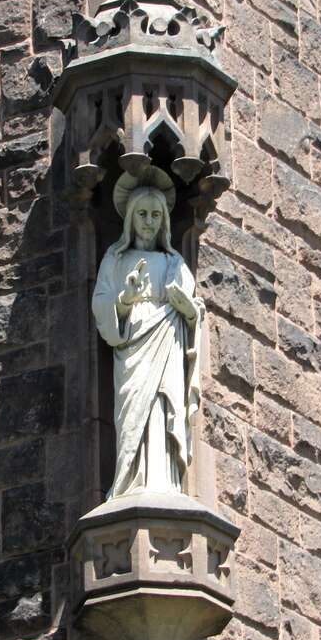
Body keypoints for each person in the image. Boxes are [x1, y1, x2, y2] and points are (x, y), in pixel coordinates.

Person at [92, 167, 203, 499]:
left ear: (165, 221)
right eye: (142, 213)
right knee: (132, 415)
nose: (149, 221)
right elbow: (101, 305)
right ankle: (129, 482)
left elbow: (194, 310)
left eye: (156, 214)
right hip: (132, 348)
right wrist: (125, 300)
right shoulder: (115, 258)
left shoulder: (174, 262)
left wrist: (185, 308)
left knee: (162, 405)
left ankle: (163, 483)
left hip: (167, 341)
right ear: (129, 218)